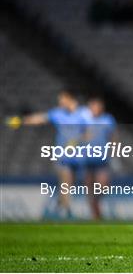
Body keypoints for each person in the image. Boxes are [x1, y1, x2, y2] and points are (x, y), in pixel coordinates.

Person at [12, 89, 88, 218]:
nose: (60, 101)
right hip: (62, 154)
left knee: (70, 183)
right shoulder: (58, 113)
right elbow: (40, 119)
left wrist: (76, 141)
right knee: (66, 180)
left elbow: (89, 132)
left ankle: (61, 203)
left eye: (62, 98)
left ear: (70, 98)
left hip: (79, 155)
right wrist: (22, 121)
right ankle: (66, 211)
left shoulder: (83, 114)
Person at [82, 97, 116, 220]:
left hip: (102, 159)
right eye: (93, 106)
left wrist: (114, 154)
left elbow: (112, 137)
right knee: (89, 187)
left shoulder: (108, 120)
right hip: (87, 159)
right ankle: (94, 213)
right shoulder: (84, 119)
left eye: (97, 106)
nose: (95, 109)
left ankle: (96, 203)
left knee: (103, 186)